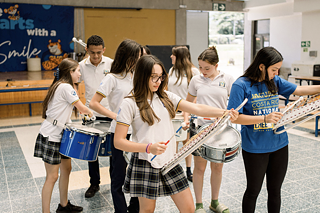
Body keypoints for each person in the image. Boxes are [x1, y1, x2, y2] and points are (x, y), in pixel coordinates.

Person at [113, 55, 238, 213]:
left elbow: (197, 108)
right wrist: (148, 148)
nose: (158, 82)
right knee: (147, 210)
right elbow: (118, 141)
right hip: (145, 161)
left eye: (160, 77)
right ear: (142, 76)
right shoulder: (129, 103)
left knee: (189, 209)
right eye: (153, 77)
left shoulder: (165, 96)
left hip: (170, 161)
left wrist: (224, 112)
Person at [227, 46, 320, 213]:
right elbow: (234, 117)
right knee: (253, 191)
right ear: (261, 66)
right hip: (255, 147)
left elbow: (298, 90)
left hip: (279, 144)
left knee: (275, 191)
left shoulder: (274, 81)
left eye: (278, 69)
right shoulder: (240, 85)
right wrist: (264, 118)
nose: (276, 73)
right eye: (274, 69)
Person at [34, 58, 93, 213]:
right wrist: (91, 112)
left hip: (62, 135)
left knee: (66, 168)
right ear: (70, 72)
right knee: (52, 177)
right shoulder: (66, 87)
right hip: (51, 135)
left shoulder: (61, 85)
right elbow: (82, 108)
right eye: (78, 71)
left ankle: (64, 205)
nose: (80, 74)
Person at [89, 39, 141, 213]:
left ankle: (135, 208)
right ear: (127, 57)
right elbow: (94, 103)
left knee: (136, 175)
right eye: (136, 57)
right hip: (119, 132)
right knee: (118, 177)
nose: (138, 61)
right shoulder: (112, 78)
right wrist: (116, 116)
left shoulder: (137, 76)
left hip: (138, 133)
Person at [184, 46, 234, 213]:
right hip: (200, 128)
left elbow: (233, 104)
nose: (203, 71)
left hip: (220, 130)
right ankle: (199, 205)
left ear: (216, 65)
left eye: (207, 68)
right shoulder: (196, 80)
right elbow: (188, 103)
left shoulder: (227, 79)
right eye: (200, 67)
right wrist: (185, 119)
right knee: (199, 168)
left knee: (217, 167)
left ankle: (214, 202)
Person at [79, 35, 113, 198]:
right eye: (92, 53)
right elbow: (73, 84)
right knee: (91, 152)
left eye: (99, 52)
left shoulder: (112, 63)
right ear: (87, 50)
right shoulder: (81, 66)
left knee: (115, 151)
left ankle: (116, 183)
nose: (96, 56)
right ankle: (94, 184)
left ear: (104, 50)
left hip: (110, 112)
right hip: (91, 114)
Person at [167, 46, 200, 182]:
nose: (170, 57)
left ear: (179, 57)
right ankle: (173, 168)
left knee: (187, 141)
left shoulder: (193, 71)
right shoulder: (172, 70)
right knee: (173, 140)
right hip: (172, 111)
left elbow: (197, 92)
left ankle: (188, 170)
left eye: (173, 55)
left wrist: (190, 109)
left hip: (186, 110)